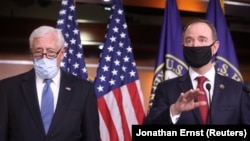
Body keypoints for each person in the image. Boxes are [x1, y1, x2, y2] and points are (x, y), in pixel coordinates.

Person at [0, 25, 100, 140]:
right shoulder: (8, 89)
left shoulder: (83, 90)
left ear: (62, 53)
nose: (44, 58)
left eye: (50, 52)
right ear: (31, 53)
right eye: (38, 51)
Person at [144, 19, 250, 125]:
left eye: (202, 40)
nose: (195, 45)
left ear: (215, 47)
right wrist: (174, 110)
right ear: (183, 47)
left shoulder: (238, 91)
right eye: (189, 40)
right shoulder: (166, 89)